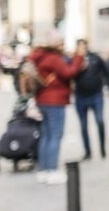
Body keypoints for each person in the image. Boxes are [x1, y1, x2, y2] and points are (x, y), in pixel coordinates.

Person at [27, 30, 84, 184]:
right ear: (57, 44)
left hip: (42, 100)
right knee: (55, 136)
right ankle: (52, 170)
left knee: (46, 135)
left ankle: (44, 170)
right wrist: (79, 58)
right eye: (62, 43)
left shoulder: (40, 56)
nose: (64, 46)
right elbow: (68, 72)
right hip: (55, 101)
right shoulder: (53, 58)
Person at [72, 39, 109, 160]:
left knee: (100, 121)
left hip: (96, 95)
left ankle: (102, 148)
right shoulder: (74, 60)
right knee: (83, 126)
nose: (82, 48)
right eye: (79, 46)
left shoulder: (95, 58)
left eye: (83, 46)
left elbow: (106, 71)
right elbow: (69, 74)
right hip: (80, 96)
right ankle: (87, 151)